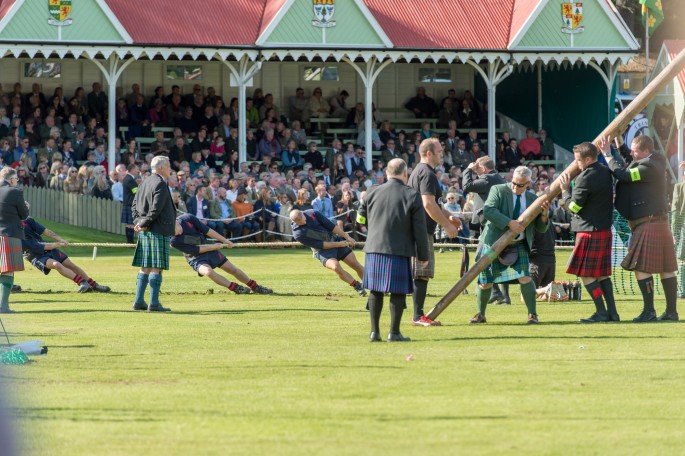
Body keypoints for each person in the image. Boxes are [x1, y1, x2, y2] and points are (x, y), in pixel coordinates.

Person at [603, 135, 679, 322]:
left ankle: (649, 311)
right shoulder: (655, 160)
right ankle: (671, 312)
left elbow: (625, 174)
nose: (632, 153)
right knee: (666, 268)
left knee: (641, 268)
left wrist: (607, 155)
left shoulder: (647, 168)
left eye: (635, 150)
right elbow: (630, 161)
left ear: (645, 151)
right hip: (657, 223)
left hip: (647, 223)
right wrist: (619, 143)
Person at [357, 159, 429, 342]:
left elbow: (360, 220)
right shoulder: (412, 195)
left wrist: (365, 211)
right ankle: (394, 333)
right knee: (397, 292)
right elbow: (420, 230)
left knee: (375, 290)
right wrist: (423, 256)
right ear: (405, 174)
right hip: (399, 250)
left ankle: (374, 333)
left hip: (374, 248)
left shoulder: (371, 192)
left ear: (386, 173)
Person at [469, 166, 550, 325]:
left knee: (525, 277)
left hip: (518, 243)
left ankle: (532, 315)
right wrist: (509, 223)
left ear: (528, 184)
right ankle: (480, 314)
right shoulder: (498, 190)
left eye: (520, 185)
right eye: (513, 182)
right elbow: (488, 210)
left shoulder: (533, 199)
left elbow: (540, 228)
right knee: (485, 281)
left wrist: (545, 216)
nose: (515, 187)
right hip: (494, 242)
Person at [559, 142, 618, 322]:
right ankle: (613, 313)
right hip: (604, 229)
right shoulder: (605, 171)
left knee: (586, 274)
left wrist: (564, 192)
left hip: (588, 231)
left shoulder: (585, 178)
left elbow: (574, 207)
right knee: (602, 274)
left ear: (587, 159)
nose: (577, 164)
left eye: (578, 161)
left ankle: (601, 312)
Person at [407, 138, 461, 326]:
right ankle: (417, 317)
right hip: (420, 231)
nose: (442, 155)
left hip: (419, 229)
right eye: (439, 152)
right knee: (421, 273)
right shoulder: (427, 174)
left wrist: (449, 215)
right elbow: (427, 204)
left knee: (422, 272)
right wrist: (447, 225)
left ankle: (418, 315)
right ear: (429, 153)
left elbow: (434, 203)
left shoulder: (419, 171)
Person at [171, 213, 273, 295]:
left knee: (233, 269)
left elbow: (208, 231)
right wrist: (213, 247)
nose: (177, 235)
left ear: (176, 222)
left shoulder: (188, 218)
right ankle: (236, 288)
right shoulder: (174, 241)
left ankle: (255, 286)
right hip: (194, 257)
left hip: (208, 249)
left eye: (175, 231)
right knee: (208, 272)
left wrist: (225, 241)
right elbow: (195, 250)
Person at [131, 156, 176, 312]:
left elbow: (134, 205)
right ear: (161, 167)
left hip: (146, 230)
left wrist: (139, 222)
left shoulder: (144, 182)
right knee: (157, 267)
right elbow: (155, 209)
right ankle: (154, 304)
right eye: (169, 165)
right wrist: (143, 223)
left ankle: (138, 302)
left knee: (145, 267)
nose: (170, 168)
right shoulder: (160, 184)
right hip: (158, 229)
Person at [21, 217, 110, 293]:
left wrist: (60, 239)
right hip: (35, 255)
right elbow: (33, 246)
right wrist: (53, 245)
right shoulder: (12, 228)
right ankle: (82, 283)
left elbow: (45, 231)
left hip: (48, 248)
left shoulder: (27, 220)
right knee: (57, 265)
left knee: (71, 265)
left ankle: (93, 285)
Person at [462, 156, 508, 302]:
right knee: (497, 259)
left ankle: (494, 292)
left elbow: (466, 186)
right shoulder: (496, 178)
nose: (477, 172)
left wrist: (468, 170)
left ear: (483, 168)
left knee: (480, 257)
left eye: (478, 169)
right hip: (494, 223)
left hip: (491, 225)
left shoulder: (488, 179)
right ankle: (502, 295)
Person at [290, 209, 366, 297]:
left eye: (304, 219)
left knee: (355, 264)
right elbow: (320, 245)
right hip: (322, 250)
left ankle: (374, 287)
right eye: (301, 222)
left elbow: (331, 226)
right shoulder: (298, 234)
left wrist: (346, 236)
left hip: (334, 239)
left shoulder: (312, 213)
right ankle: (357, 286)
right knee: (335, 267)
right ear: (295, 222)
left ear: (303, 213)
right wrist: (337, 245)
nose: (304, 222)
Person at [0, 167, 28, 313]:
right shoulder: (15, 192)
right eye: (16, 178)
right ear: (10, 179)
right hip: (8, 234)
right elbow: (24, 214)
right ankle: (3, 306)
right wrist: (26, 207)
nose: (16, 181)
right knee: (7, 271)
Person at [672, 162, 685, 298]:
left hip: (684, 226)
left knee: (683, 260)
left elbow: (675, 211)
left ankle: (682, 291)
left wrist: (675, 232)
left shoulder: (679, 187)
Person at [122, 164, 139, 244]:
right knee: (130, 225)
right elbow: (136, 192)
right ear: (132, 169)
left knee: (129, 224)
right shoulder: (130, 179)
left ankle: (130, 242)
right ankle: (130, 243)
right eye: (136, 169)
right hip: (130, 204)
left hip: (128, 204)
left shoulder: (128, 178)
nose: (137, 171)